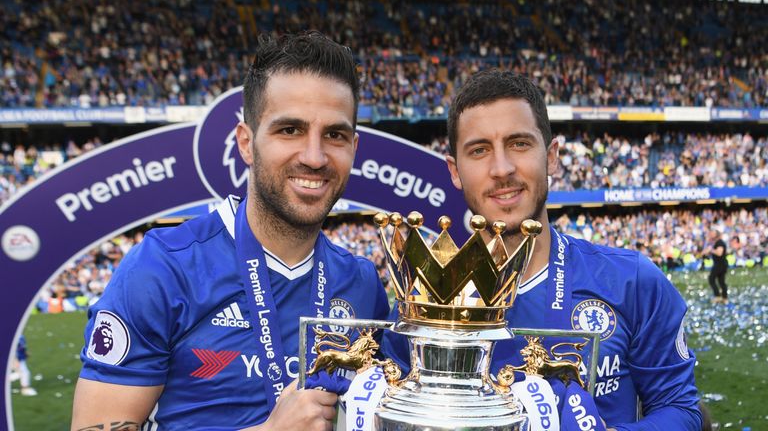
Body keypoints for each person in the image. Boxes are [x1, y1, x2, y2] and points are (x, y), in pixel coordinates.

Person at [72, 32, 390, 431]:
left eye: (335, 135)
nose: (314, 156)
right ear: (245, 142)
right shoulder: (164, 268)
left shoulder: (361, 282)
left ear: (354, 148)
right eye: (289, 129)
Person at [382, 70, 701, 430]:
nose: (501, 169)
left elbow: (682, 411)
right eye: (480, 150)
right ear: (455, 171)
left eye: (519, 144)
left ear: (552, 156)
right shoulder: (424, 305)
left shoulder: (632, 282)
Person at [707, 229, 728, 304]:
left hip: (720, 264)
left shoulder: (720, 243)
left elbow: (719, 253)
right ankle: (724, 298)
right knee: (721, 281)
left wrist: (711, 250)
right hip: (720, 264)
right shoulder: (717, 243)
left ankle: (718, 296)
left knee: (711, 278)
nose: (710, 235)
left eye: (712, 233)